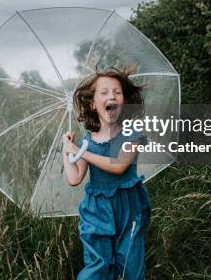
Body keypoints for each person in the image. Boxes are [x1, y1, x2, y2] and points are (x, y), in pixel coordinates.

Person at [62, 67, 151, 280]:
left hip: (128, 207)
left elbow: (119, 165)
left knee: (130, 266)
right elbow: (74, 178)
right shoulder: (87, 141)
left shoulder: (132, 135)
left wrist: (80, 151)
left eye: (117, 92)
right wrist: (67, 149)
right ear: (93, 105)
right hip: (96, 210)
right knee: (97, 266)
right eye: (104, 92)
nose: (111, 96)